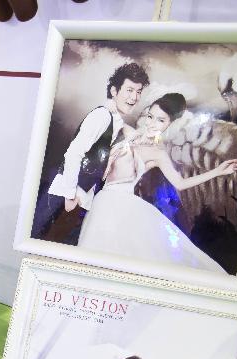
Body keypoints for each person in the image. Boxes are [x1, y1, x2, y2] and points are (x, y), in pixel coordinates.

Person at [77, 93, 237, 272]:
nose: (152, 123)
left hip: (121, 205)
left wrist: (218, 171)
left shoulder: (158, 154)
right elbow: (105, 115)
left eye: (160, 120)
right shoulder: (128, 133)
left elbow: (180, 183)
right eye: (150, 116)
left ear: (169, 124)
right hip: (102, 201)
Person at [34, 62, 150, 244]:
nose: (134, 97)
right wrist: (70, 195)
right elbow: (74, 153)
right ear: (114, 91)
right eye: (129, 90)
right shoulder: (101, 116)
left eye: (138, 91)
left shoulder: (116, 121)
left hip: (79, 199)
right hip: (64, 196)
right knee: (43, 246)